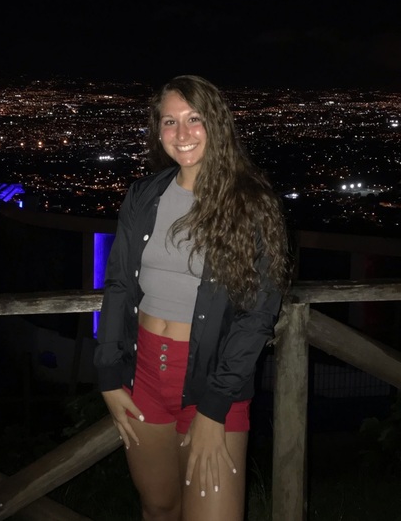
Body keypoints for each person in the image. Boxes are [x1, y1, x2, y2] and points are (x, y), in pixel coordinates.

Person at [94, 75, 290, 521]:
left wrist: (214, 407)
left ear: (216, 123)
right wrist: (108, 374)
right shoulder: (145, 195)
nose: (181, 133)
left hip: (213, 377)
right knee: (158, 507)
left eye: (194, 118)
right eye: (169, 121)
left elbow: (258, 313)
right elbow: (119, 285)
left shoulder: (251, 203)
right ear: (158, 130)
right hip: (144, 373)